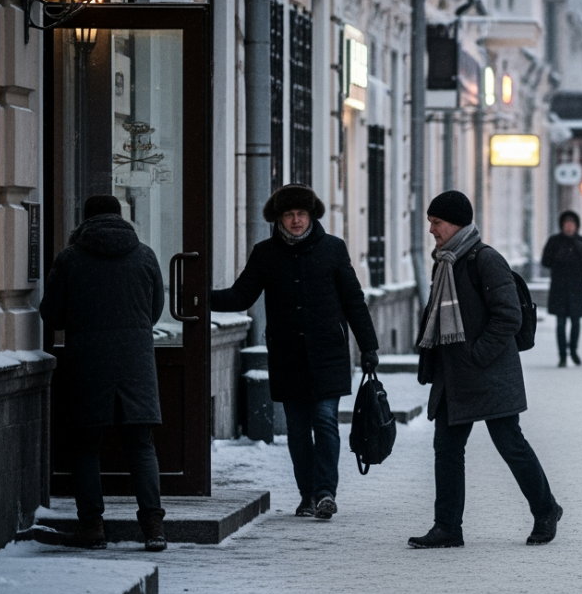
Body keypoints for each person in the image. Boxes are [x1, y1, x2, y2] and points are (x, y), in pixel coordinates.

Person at [211, 184, 380, 521]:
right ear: (279, 219)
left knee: (326, 421)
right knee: (299, 430)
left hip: (328, 353)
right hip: (288, 355)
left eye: (301, 214)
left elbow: (353, 301)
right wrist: (201, 298)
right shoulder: (265, 253)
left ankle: (326, 493)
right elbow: (241, 296)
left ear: (311, 215)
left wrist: (369, 346)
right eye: (288, 215)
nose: (296, 220)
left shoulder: (333, 249)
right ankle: (307, 495)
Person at [410, 190, 562, 549]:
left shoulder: (484, 259)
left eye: (437, 223)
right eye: (430, 222)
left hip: (489, 372)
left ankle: (546, 509)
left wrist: (479, 355)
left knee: (510, 444)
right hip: (454, 375)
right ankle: (447, 527)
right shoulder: (444, 261)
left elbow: (508, 314)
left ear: (456, 223)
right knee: (446, 448)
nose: (431, 229)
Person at [40, 195, 168, 551]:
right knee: (141, 445)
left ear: (84, 221)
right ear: (120, 217)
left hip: (88, 361)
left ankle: (92, 526)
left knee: (85, 447)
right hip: (136, 362)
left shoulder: (69, 259)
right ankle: (154, 528)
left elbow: (53, 315)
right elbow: (155, 309)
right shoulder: (144, 254)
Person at [541, 210, 582, 368]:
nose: (569, 227)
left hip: (576, 287)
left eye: (572, 224)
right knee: (560, 322)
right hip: (559, 287)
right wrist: (558, 258)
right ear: (562, 226)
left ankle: (573, 350)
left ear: (577, 226)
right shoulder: (554, 241)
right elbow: (546, 261)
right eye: (566, 224)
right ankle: (562, 355)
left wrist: (581, 272)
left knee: (576, 321)